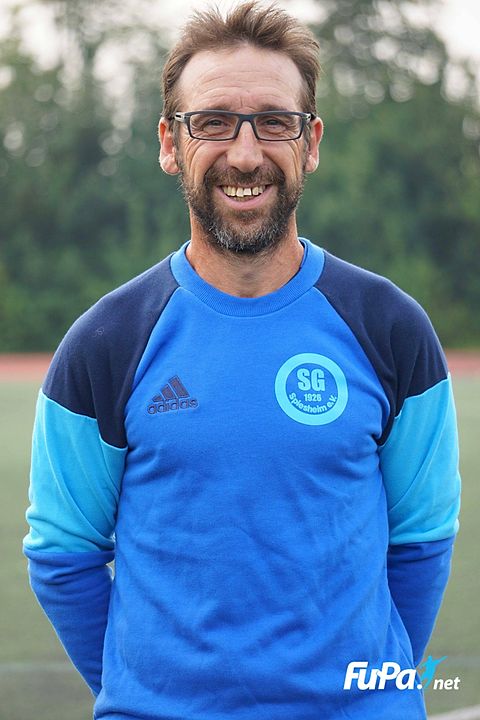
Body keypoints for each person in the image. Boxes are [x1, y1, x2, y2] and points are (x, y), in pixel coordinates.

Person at [24, 3, 461, 719]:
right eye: (214, 122)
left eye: (274, 122)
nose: (247, 153)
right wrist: (150, 696)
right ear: (170, 143)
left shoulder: (390, 329)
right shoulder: (106, 343)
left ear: (310, 142)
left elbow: (420, 540)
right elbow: (63, 556)